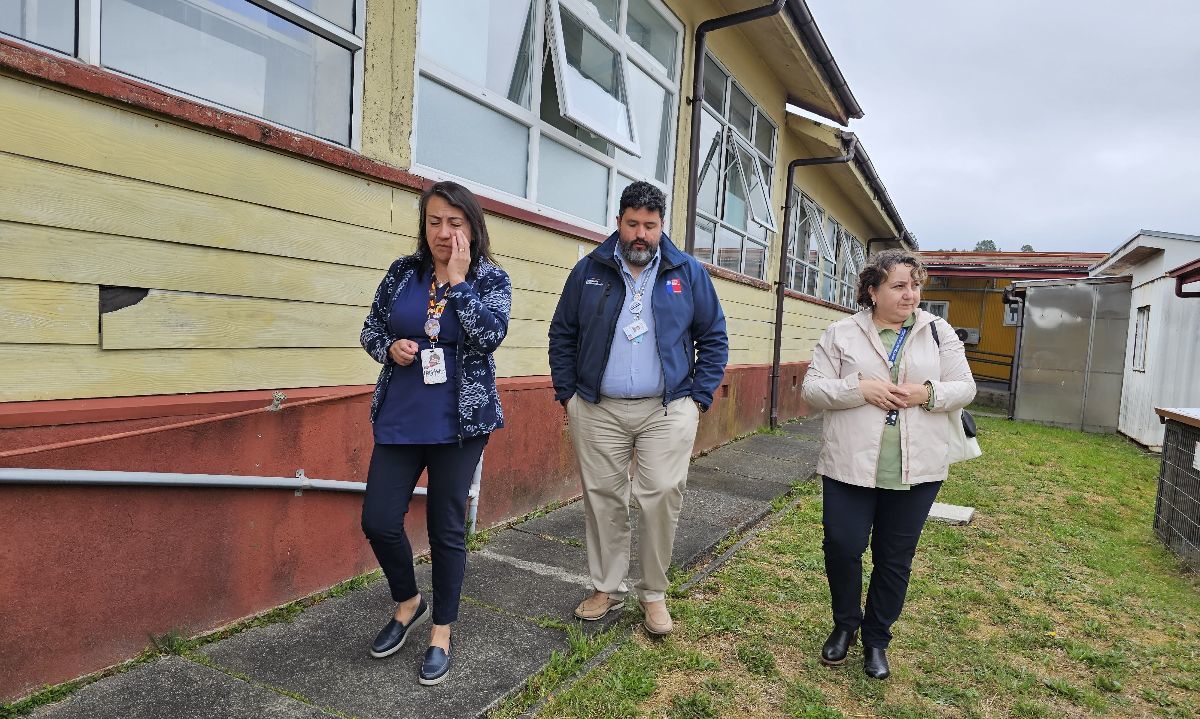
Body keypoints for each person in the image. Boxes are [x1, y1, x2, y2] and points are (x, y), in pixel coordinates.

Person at [548, 181, 728, 636]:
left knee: (660, 497)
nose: (641, 234)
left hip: (666, 409)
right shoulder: (589, 269)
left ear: (661, 225)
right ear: (618, 223)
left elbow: (714, 337)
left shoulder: (686, 272)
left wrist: (698, 396)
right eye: (633, 224)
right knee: (603, 498)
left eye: (650, 225)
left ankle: (653, 594)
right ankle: (606, 587)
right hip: (597, 407)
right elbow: (562, 333)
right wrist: (568, 394)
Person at [359, 181, 511, 686]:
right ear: (424, 226)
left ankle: (441, 630)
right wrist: (389, 347)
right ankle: (409, 601)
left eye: (455, 222)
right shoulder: (403, 273)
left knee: (446, 529)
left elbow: (490, 335)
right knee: (379, 519)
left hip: (458, 425)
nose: (444, 232)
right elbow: (370, 329)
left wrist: (460, 281)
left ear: (472, 225)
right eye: (434, 222)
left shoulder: (490, 278)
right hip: (401, 416)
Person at [801, 249, 975, 679]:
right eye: (899, 285)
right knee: (842, 546)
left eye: (915, 285)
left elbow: (964, 386)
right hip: (850, 463)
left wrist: (927, 394)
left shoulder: (939, 332)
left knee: (894, 558)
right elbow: (813, 389)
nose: (910, 294)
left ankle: (877, 639)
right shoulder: (841, 333)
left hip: (916, 468)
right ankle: (846, 625)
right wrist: (860, 388)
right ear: (872, 290)